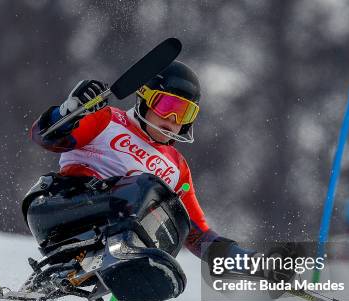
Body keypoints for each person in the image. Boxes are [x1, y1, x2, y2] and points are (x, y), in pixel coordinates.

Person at [28, 60, 293, 282]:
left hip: (106, 235)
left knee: (174, 216)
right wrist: (67, 113)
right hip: (60, 208)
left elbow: (196, 233)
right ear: (145, 99)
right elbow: (46, 138)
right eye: (166, 107)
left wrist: (245, 260)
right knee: (147, 186)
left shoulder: (177, 167)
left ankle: (117, 270)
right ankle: (126, 256)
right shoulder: (108, 119)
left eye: (184, 113)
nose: (173, 121)